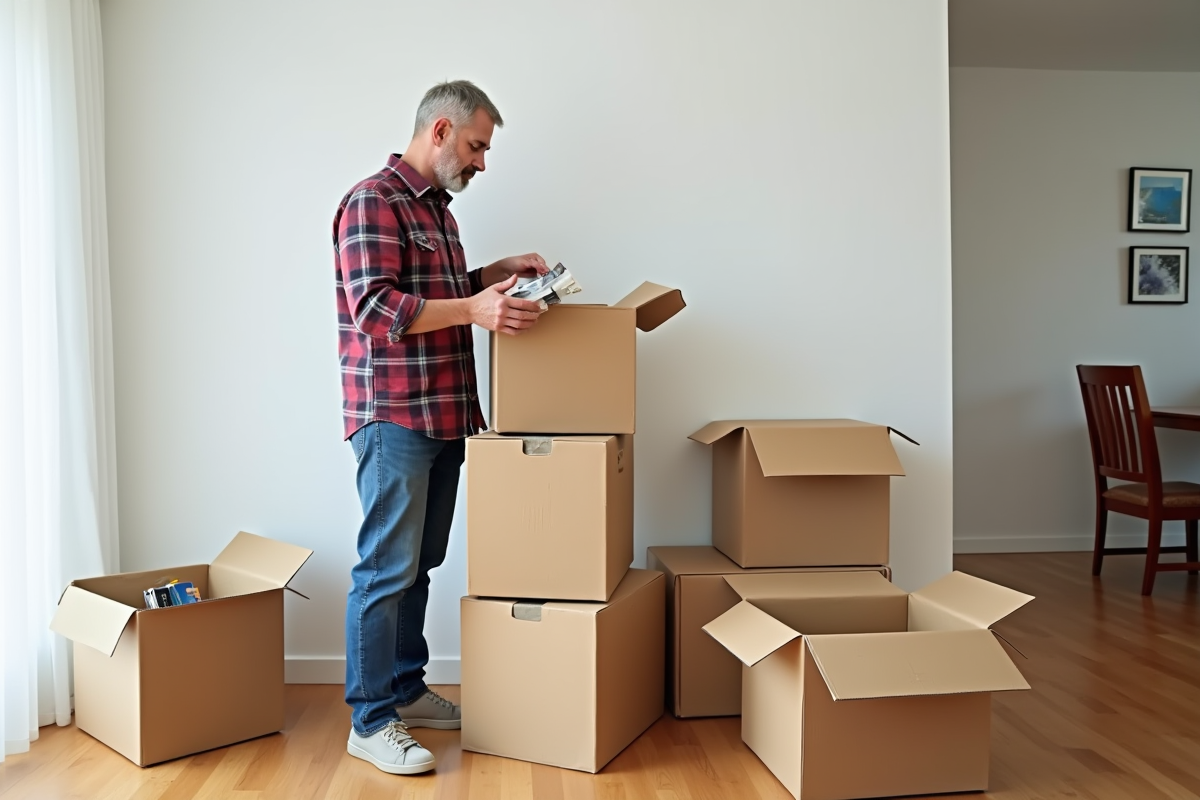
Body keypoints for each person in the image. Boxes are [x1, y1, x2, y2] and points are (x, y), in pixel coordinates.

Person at [332, 80, 546, 776]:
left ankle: (406, 688)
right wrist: (475, 309)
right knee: (384, 570)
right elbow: (377, 307)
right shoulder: (374, 200)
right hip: (394, 416)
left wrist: (493, 274)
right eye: (479, 145)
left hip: (447, 414)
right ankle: (370, 721)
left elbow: (441, 294)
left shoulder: (440, 216)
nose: (483, 161)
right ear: (442, 130)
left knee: (420, 564)